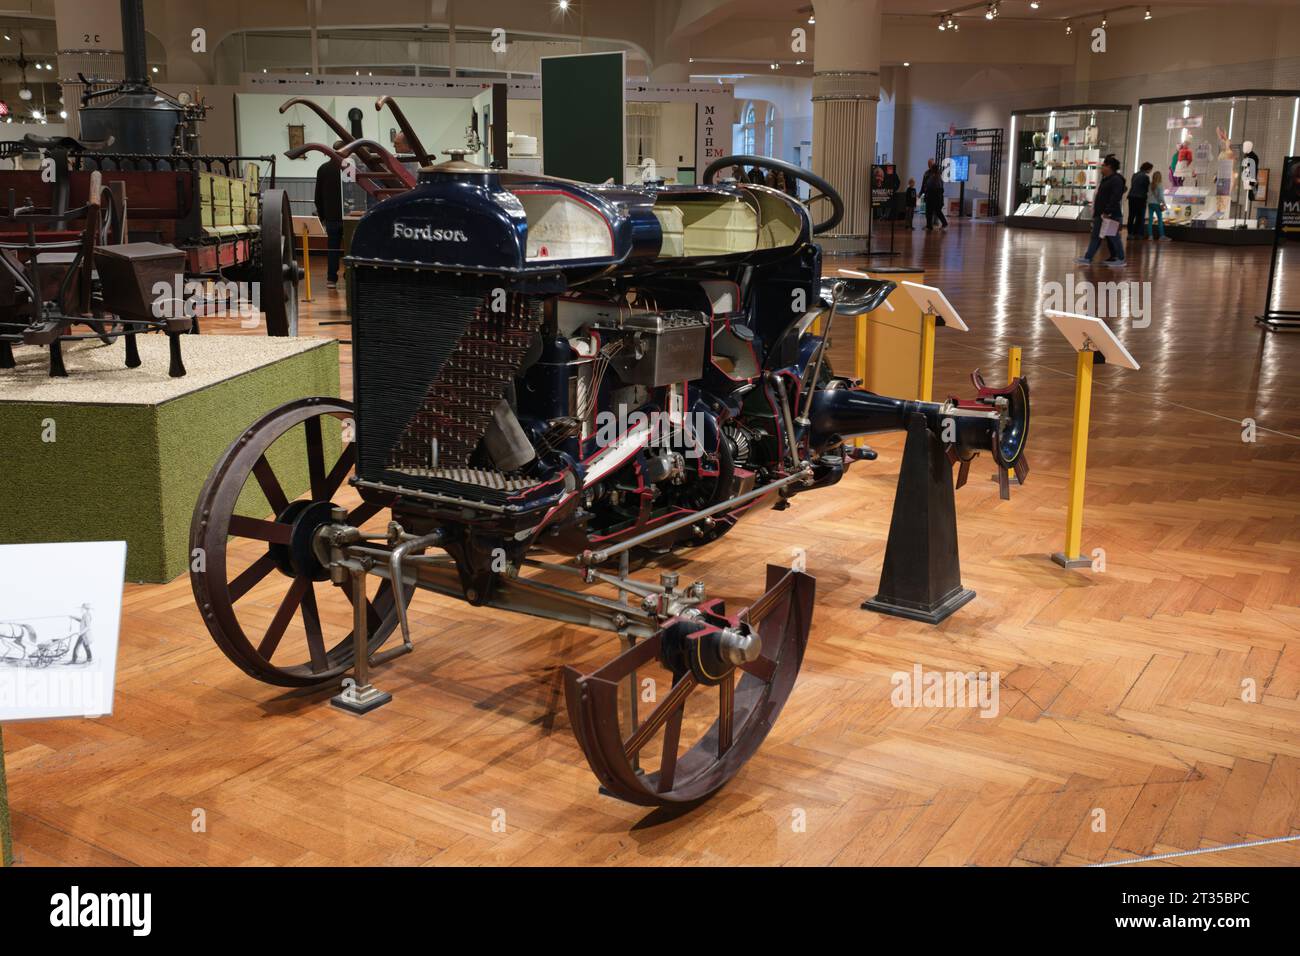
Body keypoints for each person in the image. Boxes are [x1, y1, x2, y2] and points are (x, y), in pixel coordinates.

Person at [1076, 155, 1127, 268]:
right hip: (1101, 214)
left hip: (1110, 215)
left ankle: (1121, 258)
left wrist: (1107, 211)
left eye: (1103, 165)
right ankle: (1088, 257)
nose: (1102, 167)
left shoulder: (1116, 180)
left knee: (1113, 236)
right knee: (1096, 236)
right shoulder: (1107, 179)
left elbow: (1115, 197)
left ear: (1109, 167)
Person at [314, 151, 345, 291]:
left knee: (332, 249)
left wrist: (322, 216)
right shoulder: (349, 168)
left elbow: (317, 196)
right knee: (350, 249)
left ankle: (331, 279)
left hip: (331, 216)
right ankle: (349, 275)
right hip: (349, 216)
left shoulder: (323, 168)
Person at [1128, 162, 1152, 239]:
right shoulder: (1145, 177)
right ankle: (1138, 234)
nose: (1150, 171)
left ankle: (1130, 233)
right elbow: (1147, 188)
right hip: (1140, 198)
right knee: (1140, 216)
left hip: (1131, 197)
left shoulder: (1135, 175)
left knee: (1131, 216)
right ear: (1148, 169)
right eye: (1150, 169)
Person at [1146, 170, 1170, 241]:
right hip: (1157, 204)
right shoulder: (1160, 185)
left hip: (1150, 204)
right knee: (1160, 220)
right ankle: (1161, 236)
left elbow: (1148, 194)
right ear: (1160, 177)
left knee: (1150, 220)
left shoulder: (1150, 185)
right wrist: (1164, 204)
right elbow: (1161, 197)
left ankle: (1150, 236)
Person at [923, 163, 947, 230]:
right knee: (938, 211)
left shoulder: (933, 177)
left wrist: (926, 192)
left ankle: (929, 226)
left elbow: (928, 186)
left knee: (929, 212)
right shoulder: (939, 176)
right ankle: (944, 223)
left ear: (933, 169)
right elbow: (941, 189)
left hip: (931, 197)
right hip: (938, 197)